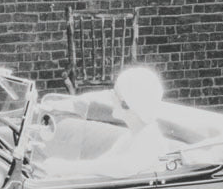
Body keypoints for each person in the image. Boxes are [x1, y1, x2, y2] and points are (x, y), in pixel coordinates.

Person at [41, 66, 170, 179]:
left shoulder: (150, 139)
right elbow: (101, 164)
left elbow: (121, 167)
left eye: (115, 94)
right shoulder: (132, 135)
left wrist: (67, 168)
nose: (111, 97)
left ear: (127, 104)